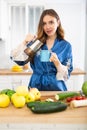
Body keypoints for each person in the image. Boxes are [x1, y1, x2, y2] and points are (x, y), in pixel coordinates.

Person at [12, 9, 73, 91]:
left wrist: (57, 63)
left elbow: (66, 76)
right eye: (44, 23)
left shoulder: (66, 46)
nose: (47, 27)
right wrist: (24, 42)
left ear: (58, 22)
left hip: (56, 88)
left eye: (51, 22)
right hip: (35, 87)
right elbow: (19, 61)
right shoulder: (37, 43)